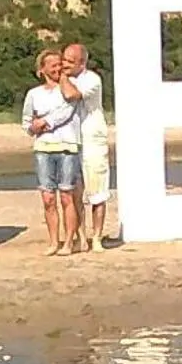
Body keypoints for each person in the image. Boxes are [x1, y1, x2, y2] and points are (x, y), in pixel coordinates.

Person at [22, 49, 83, 255]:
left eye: (60, 64)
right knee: (48, 198)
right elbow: (27, 122)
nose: (58, 68)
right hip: (43, 149)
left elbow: (67, 111)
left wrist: (45, 121)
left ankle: (68, 242)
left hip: (67, 146)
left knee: (67, 195)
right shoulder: (34, 94)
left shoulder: (69, 89)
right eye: (53, 65)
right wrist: (33, 127)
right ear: (42, 69)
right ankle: (53, 242)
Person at [58, 41, 111, 249]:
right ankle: (81, 236)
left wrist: (63, 77)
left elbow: (72, 94)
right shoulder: (63, 79)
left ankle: (97, 236)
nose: (64, 64)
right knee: (75, 191)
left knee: (98, 190)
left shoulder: (92, 80)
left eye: (70, 61)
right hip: (71, 139)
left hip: (93, 139)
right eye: (63, 59)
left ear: (82, 63)